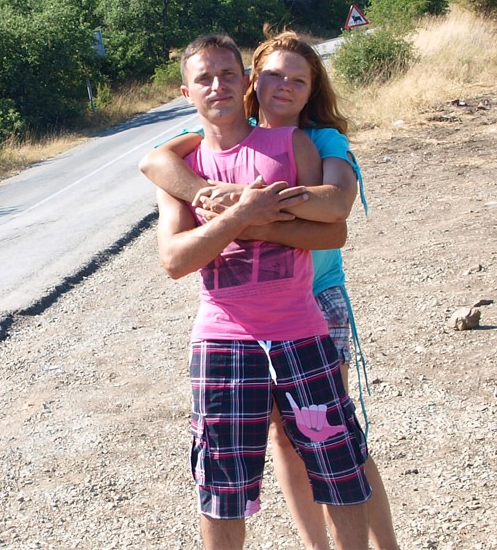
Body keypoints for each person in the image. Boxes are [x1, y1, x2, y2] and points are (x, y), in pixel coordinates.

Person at [140, 31, 399, 550]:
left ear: (244, 81)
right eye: (204, 78)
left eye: (227, 74)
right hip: (224, 336)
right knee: (226, 483)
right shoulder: (186, 161)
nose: (217, 85)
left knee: (338, 459)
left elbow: (334, 222)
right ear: (187, 91)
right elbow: (172, 248)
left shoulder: (305, 142)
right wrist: (237, 213)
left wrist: (253, 214)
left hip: (307, 316)